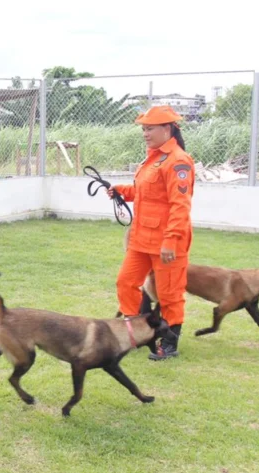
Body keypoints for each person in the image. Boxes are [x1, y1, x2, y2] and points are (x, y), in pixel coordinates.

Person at [110, 105, 195, 360]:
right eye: (144, 129)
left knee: (169, 294)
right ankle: (137, 331)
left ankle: (169, 344)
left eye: (149, 129)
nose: (145, 133)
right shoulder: (154, 157)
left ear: (166, 129)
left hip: (167, 242)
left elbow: (180, 205)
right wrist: (123, 190)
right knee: (126, 282)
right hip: (142, 239)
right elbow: (147, 192)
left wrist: (171, 240)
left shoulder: (178, 161)